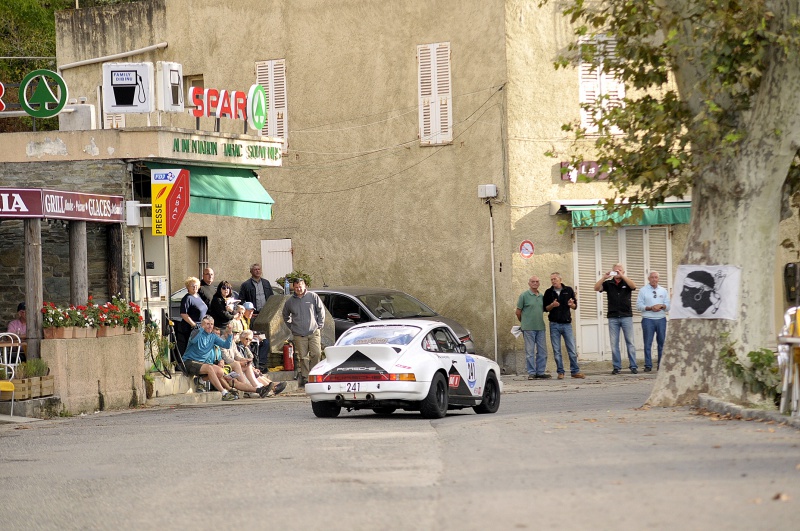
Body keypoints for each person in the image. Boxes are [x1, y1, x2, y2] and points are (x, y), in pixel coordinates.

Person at [182, 316, 271, 400]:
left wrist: (229, 334)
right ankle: (224, 393)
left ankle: (201, 380)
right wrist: (201, 328)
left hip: (203, 365)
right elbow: (194, 340)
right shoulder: (196, 332)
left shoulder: (213, 337)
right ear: (203, 324)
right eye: (207, 324)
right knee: (210, 368)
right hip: (189, 361)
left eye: (211, 324)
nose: (210, 326)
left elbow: (226, 345)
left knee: (220, 371)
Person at [594, 263, 638, 375]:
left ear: (623, 271)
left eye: (620, 270)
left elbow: (633, 286)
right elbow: (596, 288)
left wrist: (622, 276)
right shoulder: (609, 283)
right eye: (615, 270)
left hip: (626, 315)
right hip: (613, 317)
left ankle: (633, 366)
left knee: (630, 342)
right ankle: (616, 367)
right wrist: (604, 277)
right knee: (614, 343)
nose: (617, 272)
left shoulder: (627, 281)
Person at [282, 278, 325, 388]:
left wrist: (320, 324)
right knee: (303, 357)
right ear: (293, 288)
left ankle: (314, 374)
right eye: (296, 287)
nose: (298, 289)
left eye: (300, 286)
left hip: (314, 331)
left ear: (305, 285)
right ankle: (306, 377)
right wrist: (292, 327)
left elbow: (321, 310)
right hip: (299, 334)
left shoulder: (313, 296)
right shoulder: (290, 301)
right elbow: (285, 315)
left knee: (316, 353)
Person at [543, 273, 584, 379]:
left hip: (566, 324)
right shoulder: (548, 292)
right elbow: (545, 308)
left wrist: (572, 304)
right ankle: (560, 372)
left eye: (555, 279)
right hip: (554, 324)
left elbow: (575, 306)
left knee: (572, 349)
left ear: (560, 279)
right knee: (556, 350)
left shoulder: (568, 290)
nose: (553, 281)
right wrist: (552, 305)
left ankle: (575, 371)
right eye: (551, 279)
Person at [516, 276, 550, 380]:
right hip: (528, 328)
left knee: (542, 351)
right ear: (529, 283)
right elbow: (518, 312)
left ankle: (540, 372)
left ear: (539, 283)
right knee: (530, 352)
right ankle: (531, 373)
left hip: (540, 327)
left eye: (537, 282)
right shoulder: (524, 296)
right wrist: (524, 322)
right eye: (533, 282)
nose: (535, 283)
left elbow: (545, 309)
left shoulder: (541, 296)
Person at [636, 271, 670, 371]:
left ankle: (661, 364)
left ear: (658, 279)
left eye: (656, 277)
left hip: (661, 319)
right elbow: (638, 305)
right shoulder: (643, 290)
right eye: (652, 277)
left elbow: (668, 306)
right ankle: (648, 365)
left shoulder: (663, 290)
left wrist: (662, 306)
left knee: (661, 343)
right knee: (647, 343)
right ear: (648, 279)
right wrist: (650, 308)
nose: (654, 279)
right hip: (648, 319)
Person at [176, 277, 208, 357]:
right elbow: (183, 314)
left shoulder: (198, 296)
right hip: (192, 328)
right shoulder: (187, 298)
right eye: (192, 286)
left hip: (201, 327)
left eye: (196, 285)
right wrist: (193, 324)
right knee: (192, 349)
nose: (194, 287)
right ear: (188, 287)